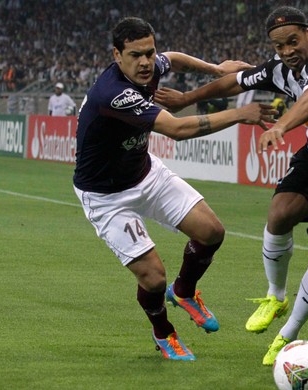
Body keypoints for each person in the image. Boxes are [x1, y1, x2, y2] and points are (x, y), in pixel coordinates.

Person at [155, 6, 308, 366]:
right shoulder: (283, 68)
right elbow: (237, 80)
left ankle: (287, 335)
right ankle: (275, 297)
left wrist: (281, 127)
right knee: (279, 214)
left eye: (293, 41)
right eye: (280, 47)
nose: (287, 51)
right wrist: (186, 99)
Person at [73, 17, 275, 362]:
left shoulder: (150, 66)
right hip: (107, 197)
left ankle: (183, 292)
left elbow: (175, 58)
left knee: (211, 232)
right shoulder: (114, 94)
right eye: (135, 55)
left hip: (145, 172)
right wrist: (240, 113)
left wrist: (215, 69)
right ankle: (164, 333)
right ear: (116, 55)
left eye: (149, 53)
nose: (146, 62)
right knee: (152, 278)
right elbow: (178, 129)